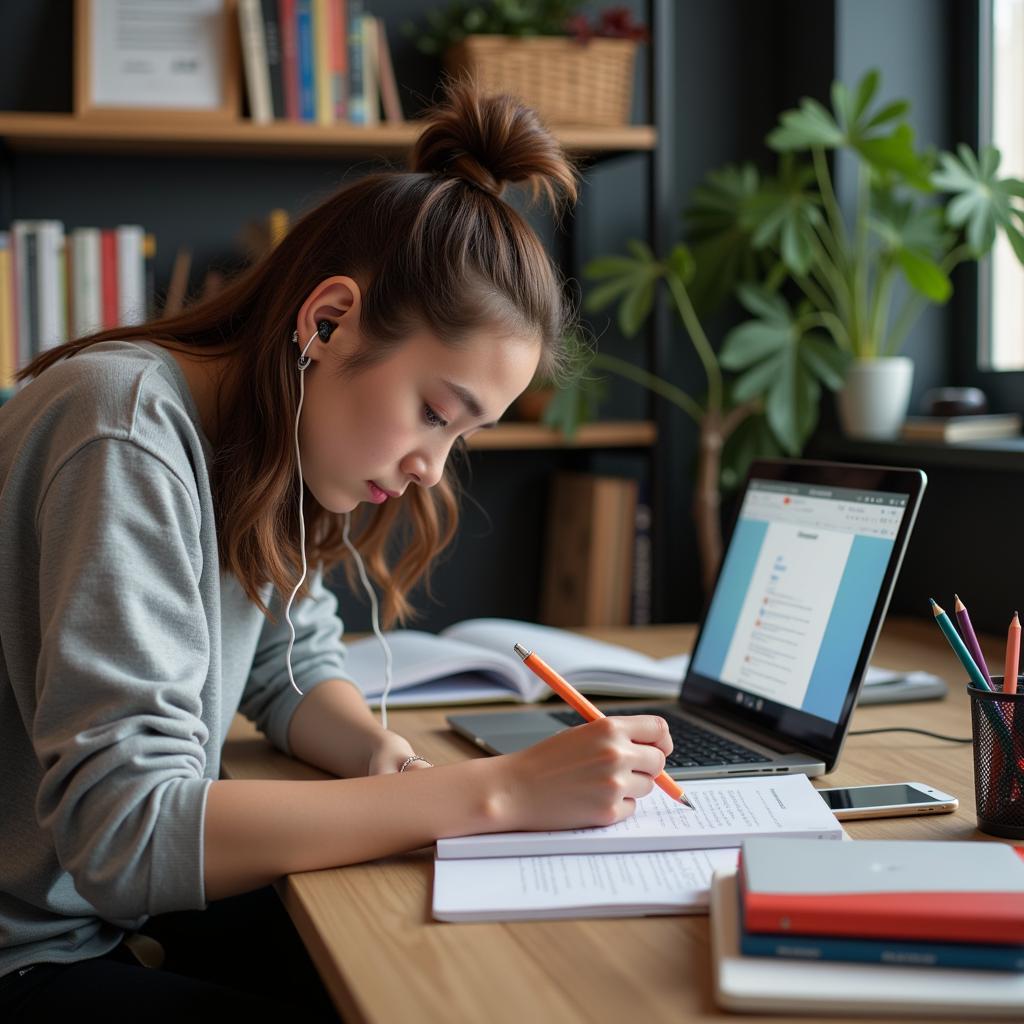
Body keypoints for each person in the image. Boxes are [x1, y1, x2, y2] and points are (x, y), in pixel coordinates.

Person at [0, 82, 672, 1021]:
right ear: (327, 322)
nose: (433, 469)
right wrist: (491, 795)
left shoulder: (257, 447)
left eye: (461, 438)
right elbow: (122, 832)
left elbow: (287, 661)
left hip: (87, 918)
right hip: (26, 950)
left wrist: (381, 759)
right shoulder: (125, 428)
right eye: (436, 414)